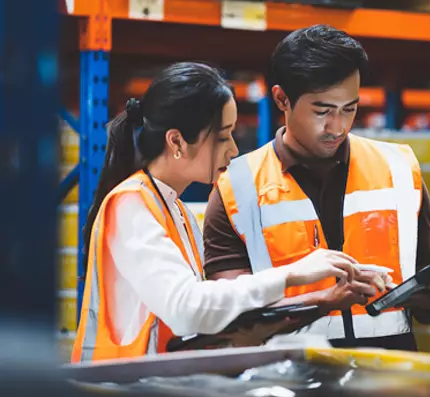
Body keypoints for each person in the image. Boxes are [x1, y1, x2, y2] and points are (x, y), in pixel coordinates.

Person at [71, 62, 372, 363]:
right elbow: (186, 308)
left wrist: (319, 300)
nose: (233, 150)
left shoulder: (176, 210)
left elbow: (203, 315)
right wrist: (292, 274)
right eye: (223, 136)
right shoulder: (130, 205)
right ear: (176, 141)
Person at [203, 25, 430, 351]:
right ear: (282, 99)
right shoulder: (236, 189)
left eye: (349, 109)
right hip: (288, 385)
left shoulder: (399, 170)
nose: (337, 126)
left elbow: (426, 298)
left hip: (386, 384)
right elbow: (227, 315)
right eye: (322, 111)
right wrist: (325, 300)